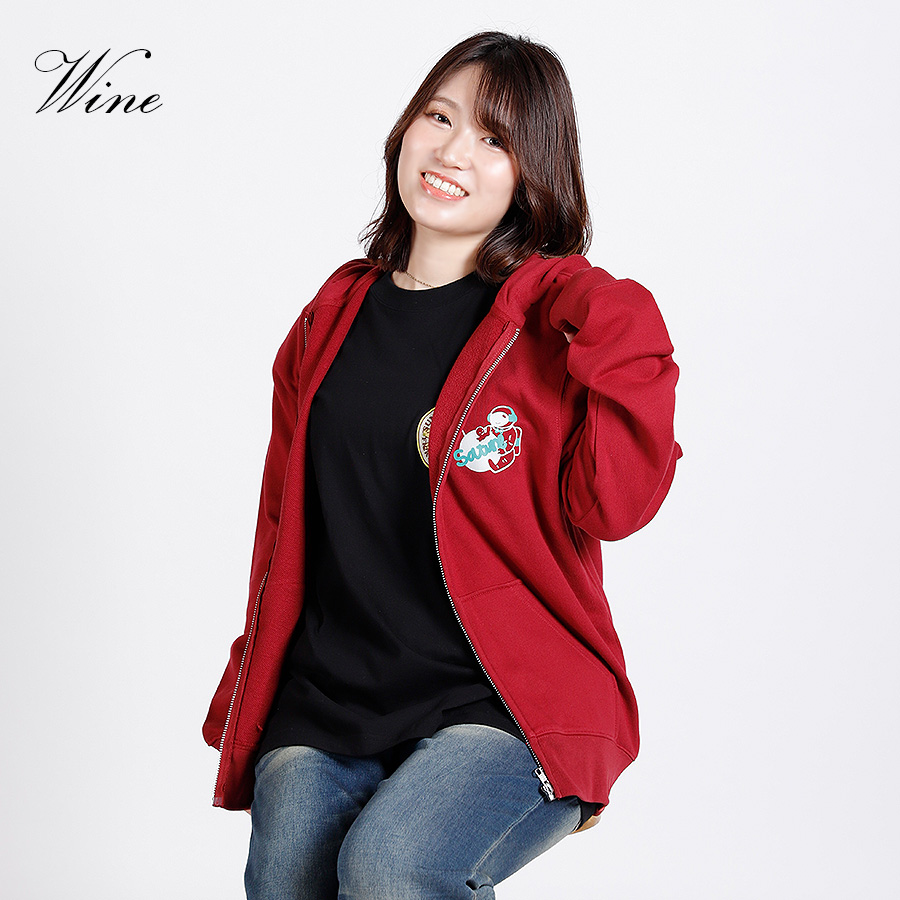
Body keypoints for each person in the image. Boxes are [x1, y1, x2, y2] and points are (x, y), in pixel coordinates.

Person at [203, 30, 681, 900]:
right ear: (405, 129)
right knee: (288, 879)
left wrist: (608, 315)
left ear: (531, 174)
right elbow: (282, 527)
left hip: (499, 698)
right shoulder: (329, 320)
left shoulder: (551, 331)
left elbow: (617, 506)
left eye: (495, 138)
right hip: (329, 697)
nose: (454, 151)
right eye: (439, 116)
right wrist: (252, 679)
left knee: (394, 866)